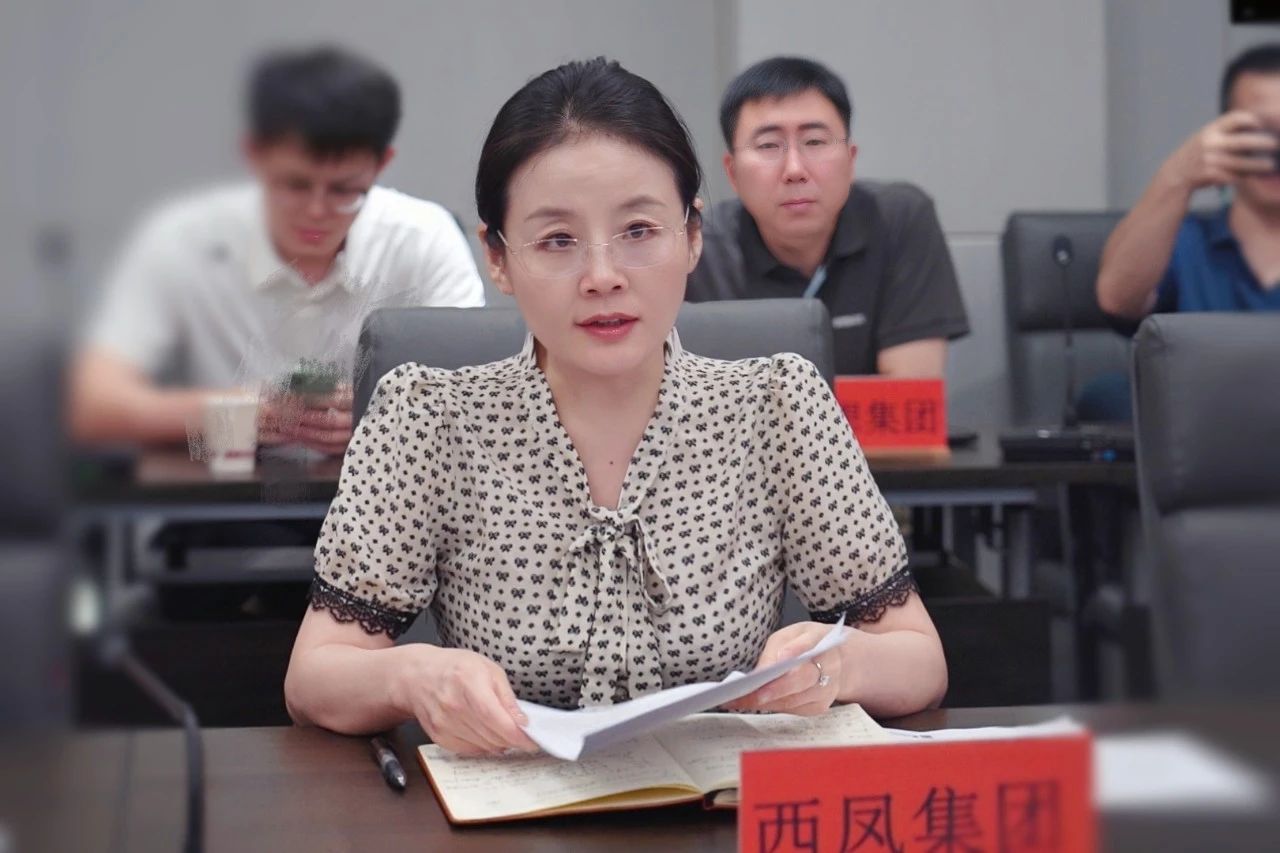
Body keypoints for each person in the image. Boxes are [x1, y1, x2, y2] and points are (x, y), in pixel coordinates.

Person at [284, 58, 947, 755]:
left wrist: (838, 665)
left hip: (718, 803)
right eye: (558, 240)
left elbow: (919, 660)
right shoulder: (427, 417)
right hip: (513, 804)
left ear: (692, 236)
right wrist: (412, 676)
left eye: (638, 231)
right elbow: (314, 678)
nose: (602, 277)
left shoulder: (778, 405)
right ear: (498, 258)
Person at [69, 46, 485, 457]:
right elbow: (92, 408)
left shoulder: (423, 237)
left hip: (382, 494)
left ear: (381, 164)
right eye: (295, 186)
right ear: (254, 154)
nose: (317, 211)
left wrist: (375, 423)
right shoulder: (186, 240)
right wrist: (244, 416)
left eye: (344, 191)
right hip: (224, 492)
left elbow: (476, 406)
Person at [687, 57, 968, 377]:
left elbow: (909, 392)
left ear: (850, 160)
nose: (795, 169)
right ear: (733, 172)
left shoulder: (899, 220)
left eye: (815, 141)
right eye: (768, 145)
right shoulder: (699, 250)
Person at [1097, 43, 1280, 320]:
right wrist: (1177, 176)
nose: (1274, 150)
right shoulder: (1184, 242)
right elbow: (1118, 301)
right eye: (1259, 132)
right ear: (1225, 133)